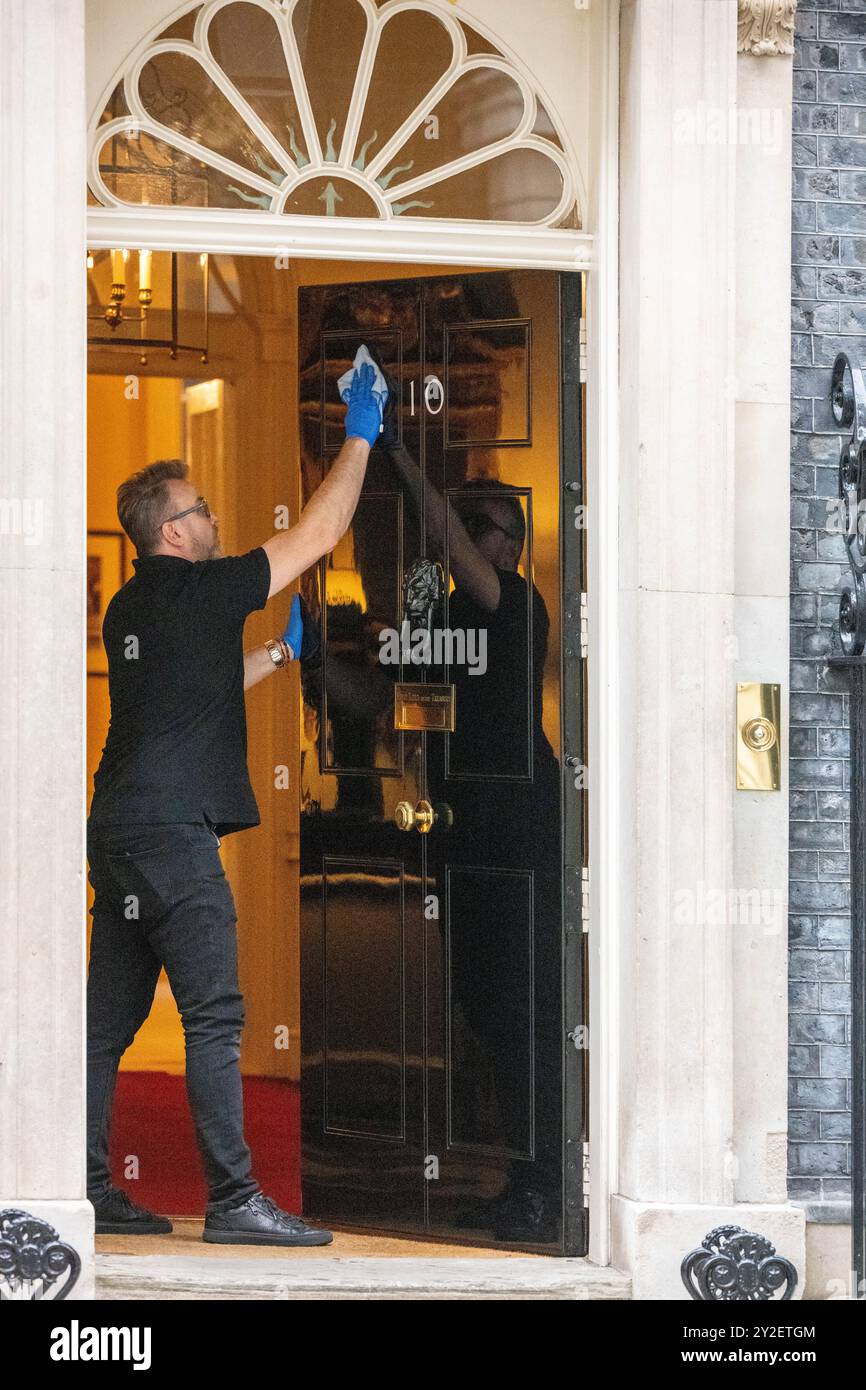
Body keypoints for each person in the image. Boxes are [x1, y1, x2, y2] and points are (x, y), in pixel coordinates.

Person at [86, 362, 383, 1247]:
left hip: (120, 829)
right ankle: (235, 1200)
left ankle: (87, 1188)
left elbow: (193, 695)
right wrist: (360, 431)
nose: (215, 517)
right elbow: (322, 530)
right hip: (173, 838)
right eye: (202, 508)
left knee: (106, 1025)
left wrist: (279, 658)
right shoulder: (210, 587)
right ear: (174, 531)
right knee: (215, 1017)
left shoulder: (133, 606)